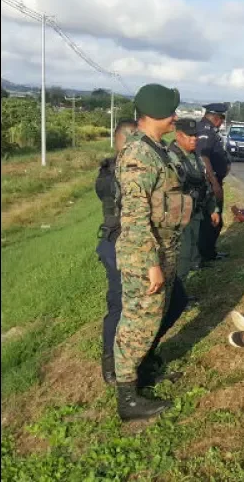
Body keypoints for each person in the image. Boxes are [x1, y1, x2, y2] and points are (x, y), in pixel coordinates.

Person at [114, 83, 193, 421]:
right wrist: (150, 265)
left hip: (165, 247)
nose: (175, 116)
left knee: (157, 315)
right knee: (137, 324)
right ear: (153, 115)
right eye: (170, 111)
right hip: (145, 255)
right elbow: (134, 217)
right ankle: (127, 399)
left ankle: (142, 371)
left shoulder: (156, 148)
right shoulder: (138, 157)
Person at [95, 119, 137, 385]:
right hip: (116, 245)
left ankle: (134, 357)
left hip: (128, 246)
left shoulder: (124, 169)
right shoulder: (113, 174)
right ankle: (110, 364)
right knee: (119, 305)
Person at [170, 118, 220, 281]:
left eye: (196, 136)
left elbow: (204, 185)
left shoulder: (196, 158)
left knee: (190, 251)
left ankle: (181, 295)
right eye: (190, 136)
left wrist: (214, 209)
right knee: (180, 258)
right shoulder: (170, 158)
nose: (194, 139)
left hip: (195, 214)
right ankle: (176, 299)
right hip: (178, 218)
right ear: (178, 135)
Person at [196, 103, 230, 264]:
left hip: (213, 181)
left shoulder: (208, 130)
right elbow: (204, 157)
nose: (222, 122)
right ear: (216, 118)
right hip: (209, 184)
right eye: (222, 119)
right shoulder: (206, 132)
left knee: (213, 221)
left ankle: (208, 253)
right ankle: (205, 256)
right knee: (212, 220)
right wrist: (214, 183)